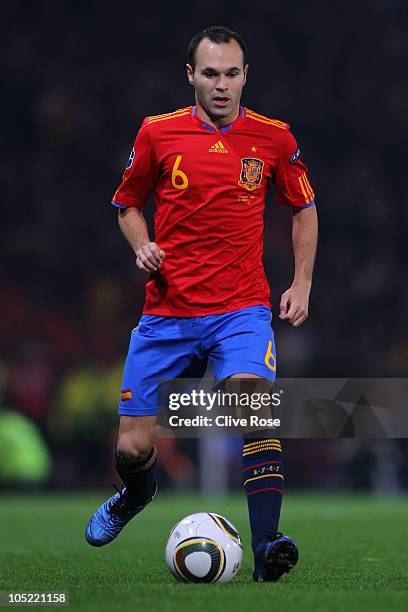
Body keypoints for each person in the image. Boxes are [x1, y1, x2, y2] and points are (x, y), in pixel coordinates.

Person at [85, 25, 318, 583]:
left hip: (241, 308)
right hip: (168, 312)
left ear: (245, 75)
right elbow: (126, 205)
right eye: (210, 74)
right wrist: (143, 245)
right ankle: (134, 495)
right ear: (191, 75)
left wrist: (302, 282)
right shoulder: (158, 133)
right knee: (133, 447)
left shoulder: (274, 139)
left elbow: (304, 209)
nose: (221, 85)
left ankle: (267, 546)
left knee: (251, 403)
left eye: (231, 74)